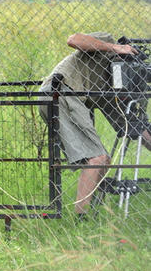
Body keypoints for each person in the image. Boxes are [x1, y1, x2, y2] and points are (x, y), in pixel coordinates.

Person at [39, 32, 151, 218]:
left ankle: (92, 212)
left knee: (104, 160)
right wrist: (117, 47)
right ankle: (80, 219)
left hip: (67, 97)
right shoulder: (107, 42)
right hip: (60, 92)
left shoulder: (113, 88)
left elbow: (133, 127)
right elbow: (73, 39)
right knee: (97, 159)